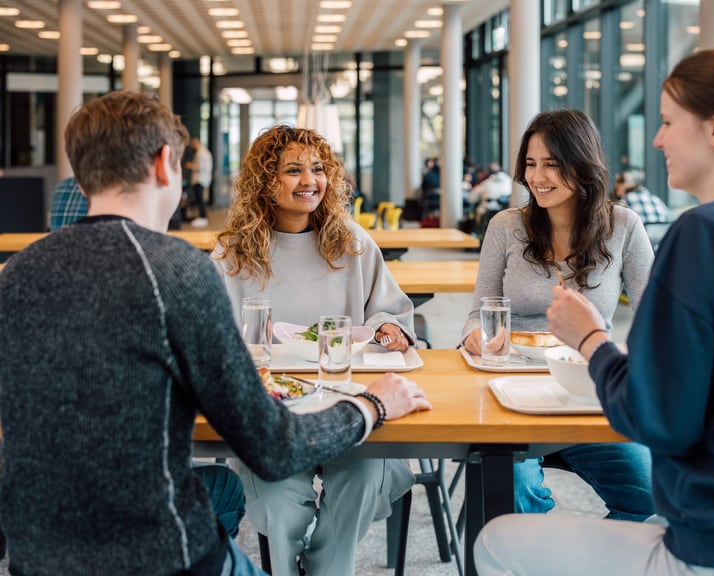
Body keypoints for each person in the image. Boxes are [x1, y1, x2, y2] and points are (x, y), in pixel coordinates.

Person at [0, 91, 431, 576]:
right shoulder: (178, 273)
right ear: (167, 164)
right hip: (163, 555)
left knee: (234, 485)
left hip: (36, 558)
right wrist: (372, 405)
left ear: (78, 172)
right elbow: (270, 443)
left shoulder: (15, 274)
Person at [474, 44, 714, 576]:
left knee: (494, 540)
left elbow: (658, 415)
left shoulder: (697, 233)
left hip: (711, 542)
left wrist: (589, 339)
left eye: (668, 122)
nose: (656, 139)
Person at [211, 124, 418, 576]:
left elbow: (391, 313)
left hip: (355, 404)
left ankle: (326, 570)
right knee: (281, 496)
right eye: (292, 170)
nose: (310, 180)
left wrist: (389, 330)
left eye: (318, 169)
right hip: (274, 414)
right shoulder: (232, 255)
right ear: (265, 180)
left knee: (364, 476)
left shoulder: (354, 243)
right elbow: (214, 344)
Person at [461, 109, 655, 521]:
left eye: (552, 163)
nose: (538, 177)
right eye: (531, 164)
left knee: (651, 494)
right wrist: (475, 334)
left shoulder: (624, 226)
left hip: (591, 391)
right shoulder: (505, 227)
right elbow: (477, 314)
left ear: (582, 163)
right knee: (513, 493)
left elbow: (655, 322)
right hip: (510, 392)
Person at [467, 162, 513, 228]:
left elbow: (471, 198)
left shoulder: (486, 183)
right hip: (507, 213)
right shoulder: (510, 181)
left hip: (487, 213)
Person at [184, 136, 213, 227]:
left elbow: (202, 167)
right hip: (200, 179)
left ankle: (203, 217)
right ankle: (202, 216)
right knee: (199, 199)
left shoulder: (202, 154)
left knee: (200, 200)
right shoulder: (203, 153)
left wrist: (191, 166)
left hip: (200, 180)